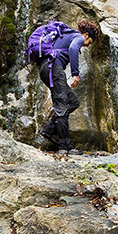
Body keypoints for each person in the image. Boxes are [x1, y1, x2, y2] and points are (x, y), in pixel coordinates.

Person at [37, 19, 101, 155]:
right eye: (89, 43)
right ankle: (64, 147)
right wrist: (75, 74)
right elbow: (73, 48)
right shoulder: (77, 37)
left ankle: (48, 130)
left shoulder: (67, 35)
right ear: (87, 35)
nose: (87, 46)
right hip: (53, 68)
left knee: (73, 101)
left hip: (46, 69)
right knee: (62, 105)